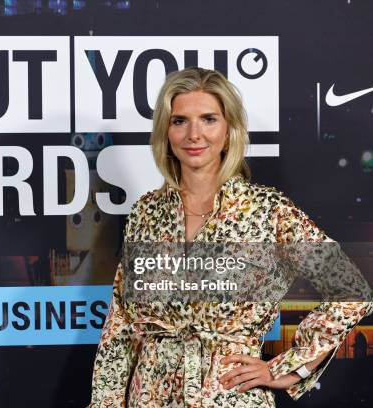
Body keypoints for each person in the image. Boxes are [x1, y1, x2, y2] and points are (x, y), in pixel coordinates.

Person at [88, 67, 373, 407]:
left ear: (229, 131)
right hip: (148, 396)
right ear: (166, 132)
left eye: (208, 119)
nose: (194, 134)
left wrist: (288, 367)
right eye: (180, 121)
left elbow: (351, 291)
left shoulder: (267, 210)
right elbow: (122, 324)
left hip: (228, 396)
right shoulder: (146, 213)